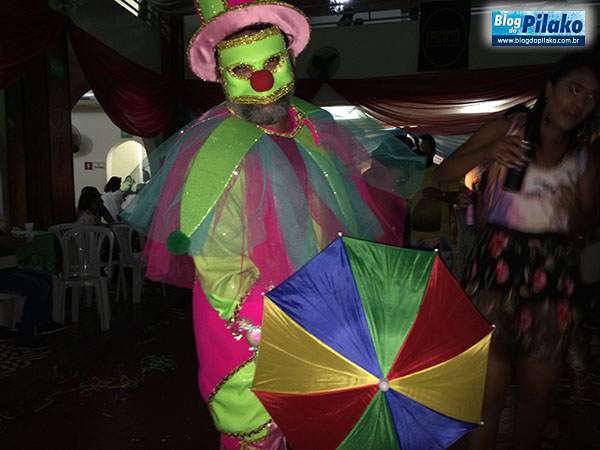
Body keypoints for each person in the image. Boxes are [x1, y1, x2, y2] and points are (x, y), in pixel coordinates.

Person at [121, 1, 411, 447]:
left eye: (272, 62)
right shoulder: (216, 153)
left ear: (291, 58)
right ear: (221, 75)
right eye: (242, 69)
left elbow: (342, 224)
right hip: (255, 333)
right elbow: (221, 272)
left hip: (326, 322)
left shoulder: (314, 130)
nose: (260, 80)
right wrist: (291, 325)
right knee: (259, 437)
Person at [434, 52, 599, 450]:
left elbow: (584, 227)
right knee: (485, 396)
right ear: (550, 88)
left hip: (552, 273)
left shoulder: (583, 157)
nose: (580, 102)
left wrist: (574, 215)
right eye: (574, 89)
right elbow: (443, 173)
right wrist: (488, 152)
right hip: (495, 264)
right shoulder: (508, 128)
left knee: (536, 397)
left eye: (592, 97)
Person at [407, 134, 468, 270]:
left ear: (433, 152)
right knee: (418, 277)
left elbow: (460, 197)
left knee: (440, 277)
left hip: (438, 237)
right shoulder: (409, 174)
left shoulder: (443, 172)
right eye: (418, 150)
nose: (421, 154)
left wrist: (440, 194)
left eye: (424, 150)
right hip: (414, 238)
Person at [0, 230, 69, 347]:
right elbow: (7, 242)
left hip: (7, 270)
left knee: (47, 278)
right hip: (3, 274)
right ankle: (25, 332)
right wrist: (23, 239)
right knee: (39, 287)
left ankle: (44, 322)